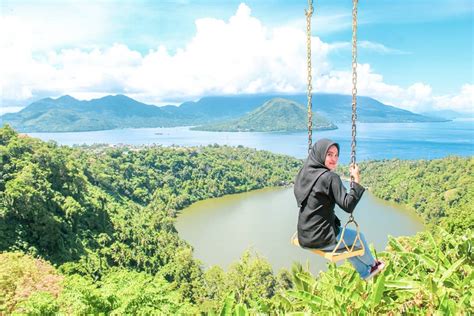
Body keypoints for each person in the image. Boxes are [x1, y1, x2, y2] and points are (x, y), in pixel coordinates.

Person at [294, 138, 384, 280]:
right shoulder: (330, 178)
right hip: (321, 238)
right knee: (358, 238)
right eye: (329, 154)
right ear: (321, 154)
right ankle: (373, 265)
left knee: (348, 248)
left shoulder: (304, 173)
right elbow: (348, 205)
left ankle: (365, 272)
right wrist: (356, 180)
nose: (334, 159)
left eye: (336, 155)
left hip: (304, 236)